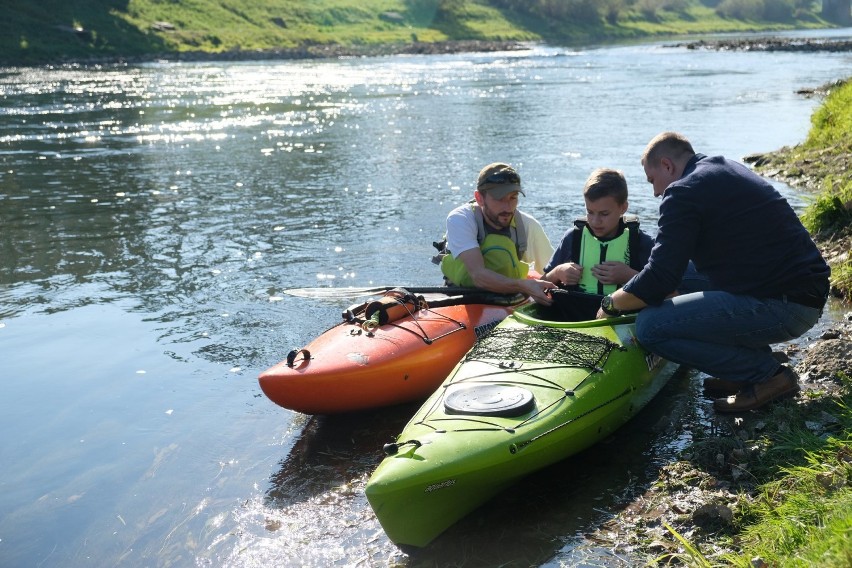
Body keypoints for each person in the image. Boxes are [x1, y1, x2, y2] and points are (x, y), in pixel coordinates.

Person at [595, 132, 830, 413]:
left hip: (786, 305)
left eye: (652, 180)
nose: (656, 192)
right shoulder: (721, 168)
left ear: (667, 166)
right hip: (801, 290)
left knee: (650, 327)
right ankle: (743, 365)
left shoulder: (681, 192)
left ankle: (768, 375)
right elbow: (669, 270)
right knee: (682, 278)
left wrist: (611, 303)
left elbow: (660, 278)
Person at [438, 162, 556, 304]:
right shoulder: (460, 219)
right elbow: (478, 276)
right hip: (461, 296)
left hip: (512, 299)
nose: (507, 207)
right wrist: (523, 285)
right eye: (499, 199)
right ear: (479, 198)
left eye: (513, 197)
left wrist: (560, 272)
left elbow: (550, 272)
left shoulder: (527, 225)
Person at [543, 168, 652, 295]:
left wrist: (631, 276)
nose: (595, 221)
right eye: (590, 212)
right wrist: (557, 272)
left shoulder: (641, 242)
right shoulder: (573, 238)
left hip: (623, 313)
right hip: (577, 311)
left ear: (623, 208)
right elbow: (542, 283)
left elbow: (667, 291)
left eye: (604, 214)